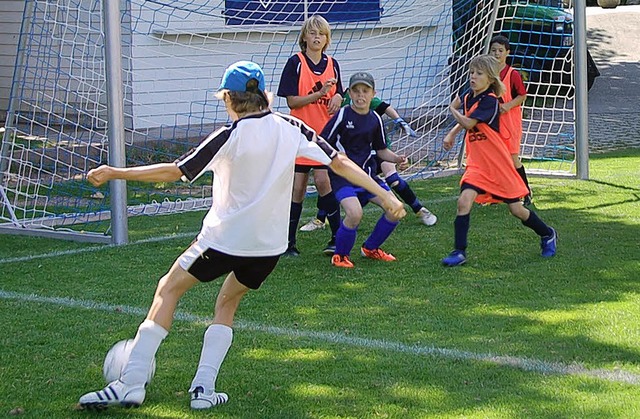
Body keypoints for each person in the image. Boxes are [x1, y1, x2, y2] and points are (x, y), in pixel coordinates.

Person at [78, 61, 405, 411]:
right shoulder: (292, 127)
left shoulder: (229, 135)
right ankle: (203, 389)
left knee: (168, 289)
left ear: (229, 100)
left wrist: (115, 172)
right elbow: (338, 162)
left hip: (223, 241)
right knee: (227, 303)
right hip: (268, 249)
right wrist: (385, 196)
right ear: (264, 95)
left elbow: (177, 171)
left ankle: (130, 382)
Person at [441, 55, 556, 267]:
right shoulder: (469, 97)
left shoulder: (490, 100)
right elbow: (466, 117)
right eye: (472, 72)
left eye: (479, 73)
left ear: (490, 79)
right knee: (463, 202)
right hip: (477, 165)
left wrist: (451, 110)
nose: (473, 77)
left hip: (498, 165)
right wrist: (451, 134)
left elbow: (468, 122)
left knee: (517, 210)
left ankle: (547, 234)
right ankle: (459, 252)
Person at [321, 72, 407, 268]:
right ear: (349, 93)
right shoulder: (343, 115)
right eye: (356, 91)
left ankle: (370, 248)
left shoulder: (375, 118)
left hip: (369, 177)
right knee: (354, 213)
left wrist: (397, 158)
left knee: (396, 209)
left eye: (365, 91)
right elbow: (324, 142)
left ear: (373, 94)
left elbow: (381, 150)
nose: (361, 95)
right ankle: (340, 256)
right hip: (344, 177)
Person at [277, 15, 344, 255]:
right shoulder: (295, 63)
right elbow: (292, 101)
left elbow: (339, 94)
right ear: (304, 37)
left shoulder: (333, 63)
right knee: (297, 188)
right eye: (312, 33)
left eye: (321, 34)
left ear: (327, 39)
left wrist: (337, 96)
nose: (317, 37)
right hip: (299, 135)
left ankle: (337, 237)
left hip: (324, 135)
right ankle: (289, 243)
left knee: (324, 181)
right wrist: (320, 94)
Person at [341, 89, 438, 226]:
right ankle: (332, 218)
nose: (361, 95)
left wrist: (399, 120)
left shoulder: (369, 104)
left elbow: (385, 107)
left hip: (379, 150)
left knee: (393, 180)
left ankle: (419, 209)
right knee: (362, 187)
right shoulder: (342, 103)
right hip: (360, 156)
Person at [489, 35, 532, 205]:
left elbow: (522, 95)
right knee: (495, 158)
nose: (497, 54)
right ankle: (496, 194)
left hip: (511, 122)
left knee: (513, 159)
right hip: (493, 123)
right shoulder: (487, 74)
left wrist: (507, 106)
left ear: (507, 52)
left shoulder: (512, 74)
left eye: (500, 50)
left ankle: (526, 192)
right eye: (494, 50)